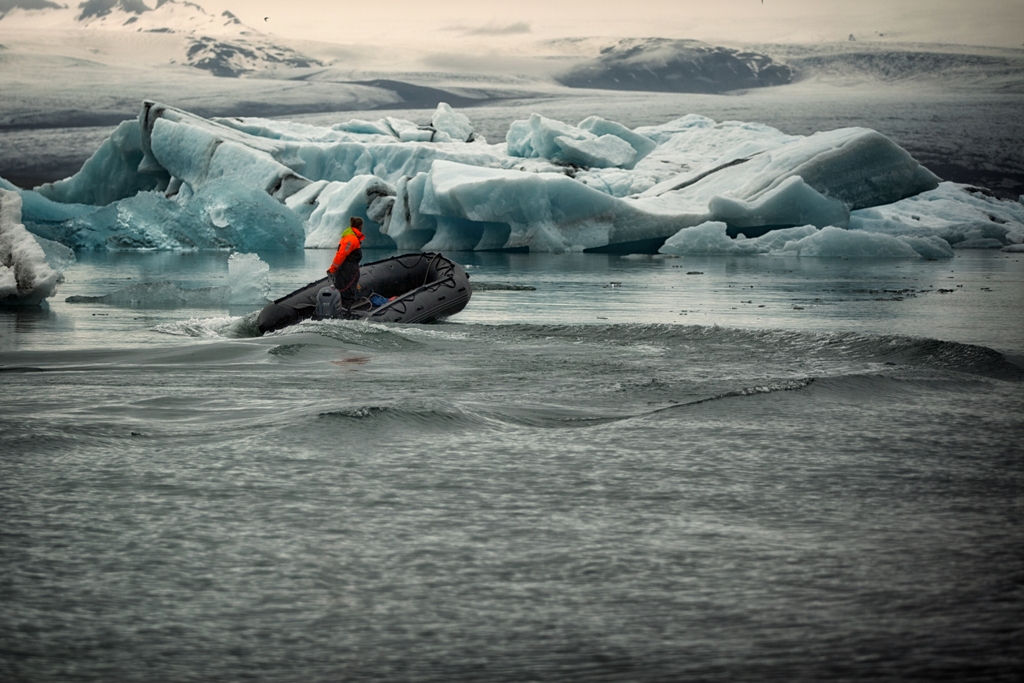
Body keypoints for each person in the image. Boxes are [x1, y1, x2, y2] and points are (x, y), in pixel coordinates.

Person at [327, 217, 366, 313]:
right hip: (348, 270)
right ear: (360, 226)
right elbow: (341, 254)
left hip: (347, 268)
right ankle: (344, 313)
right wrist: (333, 269)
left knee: (344, 291)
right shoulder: (351, 239)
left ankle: (342, 311)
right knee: (347, 292)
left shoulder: (350, 237)